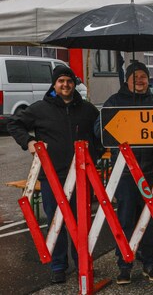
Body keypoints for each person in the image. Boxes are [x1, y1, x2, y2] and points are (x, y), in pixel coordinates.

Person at [7, 65, 100, 284]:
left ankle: (82, 264)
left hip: (81, 176)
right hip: (51, 177)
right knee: (56, 222)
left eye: (69, 81)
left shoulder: (87, 109)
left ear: (74, 83)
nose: (65, 85)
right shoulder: (40, 109)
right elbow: (14, 123)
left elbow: (100, 132)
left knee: (81, 222)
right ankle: (58, 266)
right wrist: (28, 142)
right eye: (61, 81)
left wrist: (96, 154)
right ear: (54, 84)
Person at [96, 61, 153, 285]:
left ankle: (149, 262)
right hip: (125, 172)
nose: (140, 80)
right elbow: (100, 130)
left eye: (143, 76)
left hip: (152, 172)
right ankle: (124, 264)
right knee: (125, 219)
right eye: (135, 76)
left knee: (152, 220)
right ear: (126, 80)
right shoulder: (114, 102)